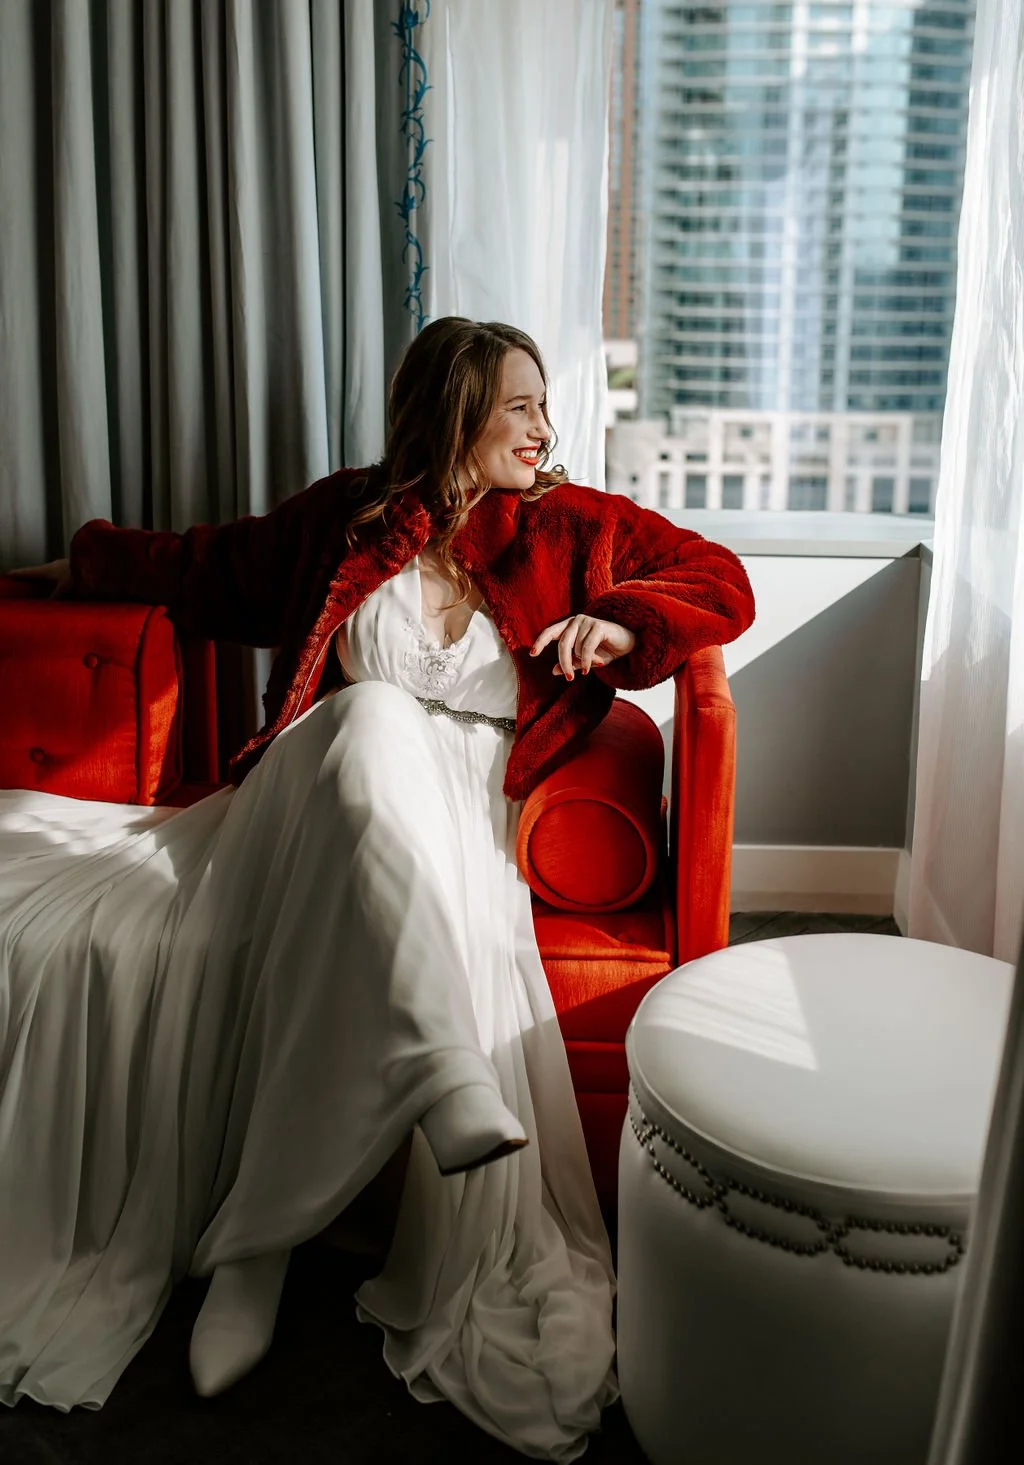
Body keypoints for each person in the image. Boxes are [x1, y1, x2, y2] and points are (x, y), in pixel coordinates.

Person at [0, 317, 755, 1459]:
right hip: (306, 800)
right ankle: (438, 1073)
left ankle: (255, 1247)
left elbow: (718, 580)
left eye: (547, 406)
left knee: (380, 747)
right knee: (366, 717)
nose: (545, 428)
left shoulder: (575, 529)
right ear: (452, 412)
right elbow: (202, 567)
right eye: (520, 405)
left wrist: (622, 618)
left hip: (460, 820)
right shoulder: (349, 519)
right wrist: (69, 567)